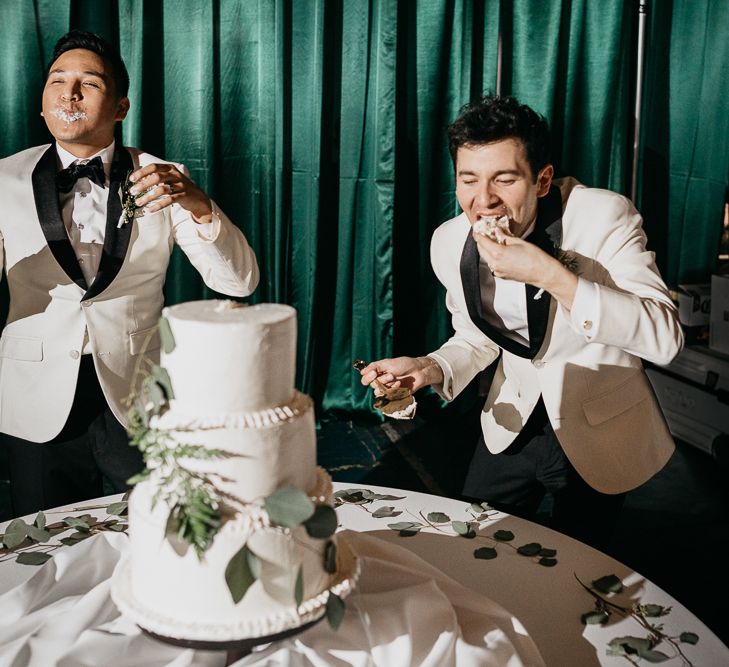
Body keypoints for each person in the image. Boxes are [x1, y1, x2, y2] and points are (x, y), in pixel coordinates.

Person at [360, 95, 682, 549]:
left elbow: (665, 338)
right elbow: (475, 338)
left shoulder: (603, 216)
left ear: (543, 179)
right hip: (511, 419)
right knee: (474, 546)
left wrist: (551, 275)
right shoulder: (449, 243)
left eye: (504, 179)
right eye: (468, 180)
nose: (483, 200)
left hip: (600, 424)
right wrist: (429, 367)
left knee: (583, 565)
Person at [0, 30, 259, 517]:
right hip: (33, 396)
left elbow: (238, 282)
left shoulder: (165, 176)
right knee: (42, 545)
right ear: (41, 105)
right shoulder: (2, 179)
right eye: (58, 80)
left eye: (88, 83)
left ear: (121, 108)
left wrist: (198, 203)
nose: (68, 93)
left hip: (137, 396)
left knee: (146, 540)